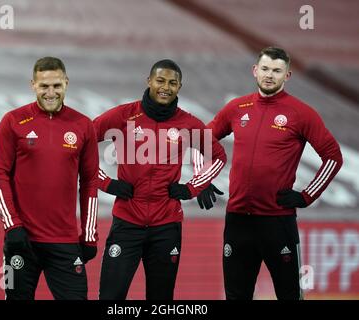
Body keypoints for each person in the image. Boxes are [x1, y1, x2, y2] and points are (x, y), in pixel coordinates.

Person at [197, 47, 343, 299]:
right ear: (255, 71)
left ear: (287, 75)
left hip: (277, 222)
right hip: (238, 220)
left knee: (289, 296)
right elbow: (200, 140)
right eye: (265, 69)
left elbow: (333, 157)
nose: (269, 75)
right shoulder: (236, 107)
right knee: (236, 296)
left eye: (277, 71)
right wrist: (202, 179)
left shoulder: (301, 113)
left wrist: (307, 196)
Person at [94, 59, 226, 300]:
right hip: (126, 223)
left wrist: (193, 187)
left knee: (161, 299)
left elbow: (218, 156)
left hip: (167, 226)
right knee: (111, 298)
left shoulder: (188, 123)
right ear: (149, 81)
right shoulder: (124, 116)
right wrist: (106, 183)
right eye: (160, 80)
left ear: (179, 87)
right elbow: (82, 144)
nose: (166, 87)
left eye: (172, 83)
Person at [0, 57, 99, 300]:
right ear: (33, 85)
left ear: (66, 84)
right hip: (21, 241)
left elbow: (90, 182)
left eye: (57, 86)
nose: (51, 93)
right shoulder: (13, 121)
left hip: (65, 241)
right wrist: (13, 227)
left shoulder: (83, 125)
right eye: (44, 86)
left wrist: (89, 234)